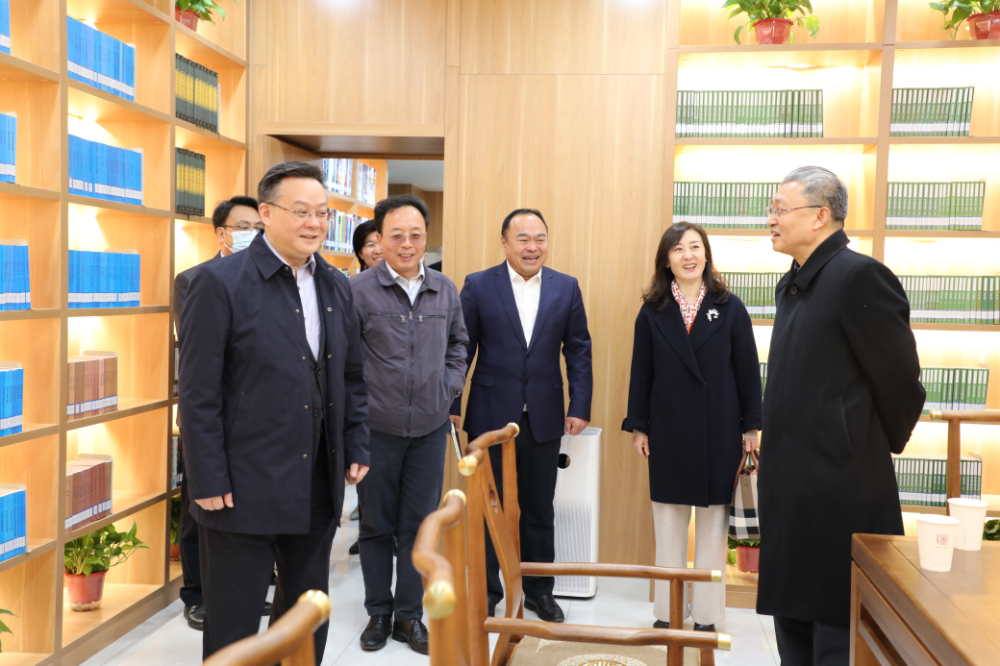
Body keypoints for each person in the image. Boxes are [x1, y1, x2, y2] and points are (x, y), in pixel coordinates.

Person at [179, 161, 370, 662]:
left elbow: (350, 377)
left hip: (316, 478)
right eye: (301, 211)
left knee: (306, 615)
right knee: (235, 623)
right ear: (266, 213)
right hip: (241, 484)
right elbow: (197, 392)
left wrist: (356, 443)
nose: (314, 223)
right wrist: (207, 478)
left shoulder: (335, 284)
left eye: (323, 214)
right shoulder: (217, 282)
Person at [757, 166, 924, 666]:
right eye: (771, 209)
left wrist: (857, 442)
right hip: (791, 484)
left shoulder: (859, 277)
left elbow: (900, 380)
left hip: (838, 485)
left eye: (780, 209)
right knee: (792, 619)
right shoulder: (793, 283)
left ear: (820, 216)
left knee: (835, 626)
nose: (771, 219)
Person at [452, 208, 593, 623]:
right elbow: (462, 348)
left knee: (539, 508)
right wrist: (452, 405)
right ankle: (487, 593)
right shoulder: (479, 285)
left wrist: (579, 405)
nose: (533, 247)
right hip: (489, 417)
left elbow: (578, 349)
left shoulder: (566, 287)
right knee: (488, 508)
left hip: (544, 416)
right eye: (523, 239)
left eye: (540, 238)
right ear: (504, 243)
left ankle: (539, 592)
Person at [622, 222, 761, 632]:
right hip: (667, 431)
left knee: (713, 530)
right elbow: (641, 373)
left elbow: (748, 372)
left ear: (706, 255)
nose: (688, 255)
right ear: (666, 260)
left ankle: (706, 616)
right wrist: (639, 426)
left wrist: (751, 428)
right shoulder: (652, 311)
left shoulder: (730, 307)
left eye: (695, 247)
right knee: (668, 526)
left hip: (720, 430)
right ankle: (668, 612)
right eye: (678, 248)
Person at [351, 194, 468, 655]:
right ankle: (379, 613)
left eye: (415, 235)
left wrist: (449, 386)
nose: (406, 244)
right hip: (375, 429)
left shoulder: (445, 288)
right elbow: (345, 359)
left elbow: (459, 343)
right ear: (379, 240)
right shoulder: (358, 290)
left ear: (426, 238)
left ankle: (408, 616)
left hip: (429, 430)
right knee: (376, 526)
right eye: (396, 235)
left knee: (419, 528)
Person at [173, 196, 270, 631]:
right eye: (243, 226)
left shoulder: (270, 279)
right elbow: (202, 352)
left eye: (258, 227)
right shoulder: (194, 279)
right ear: (221, 233)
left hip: (254, 423)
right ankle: (196, 594)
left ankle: (241, 591)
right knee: (200, 509)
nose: (252, 234)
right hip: (209, 420)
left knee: (241, 511)